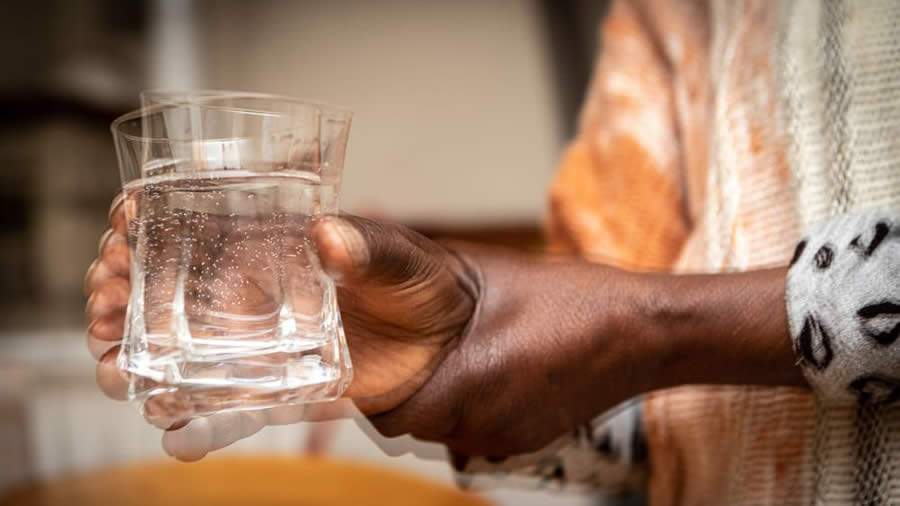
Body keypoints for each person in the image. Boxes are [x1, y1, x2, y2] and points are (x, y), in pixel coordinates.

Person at [85, 0, 900, 504]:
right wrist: (442, 383)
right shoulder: (670, 16)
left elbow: (634, 332)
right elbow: (649, 410)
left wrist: (643, 328)